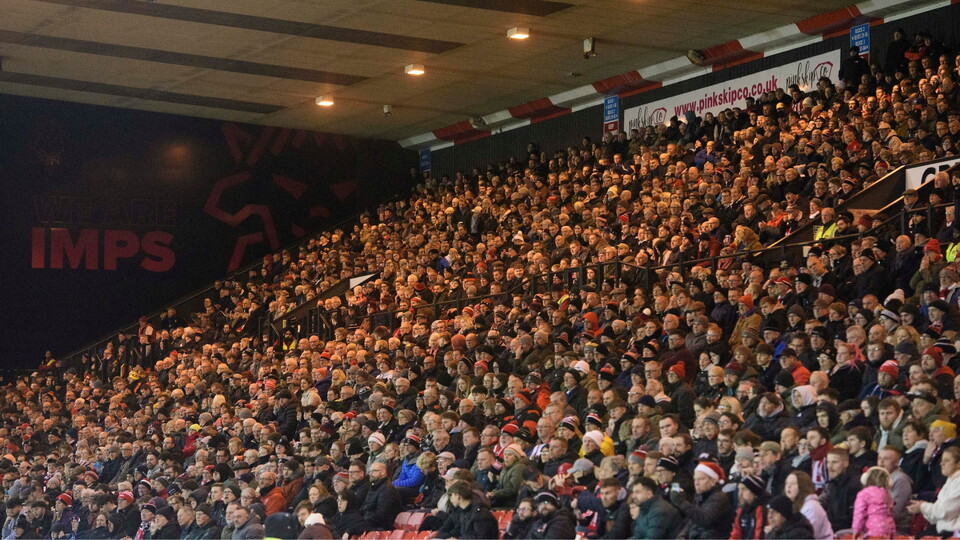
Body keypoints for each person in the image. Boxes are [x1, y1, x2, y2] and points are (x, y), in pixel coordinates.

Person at [669, 461, 732, 539]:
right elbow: (691, 522)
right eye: (695, 479)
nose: (696, 483)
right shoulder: (700, 497)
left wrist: (682, 502)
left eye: (701, 479)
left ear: (713, 481)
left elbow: (705, 519)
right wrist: (682, 536)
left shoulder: (719, 498)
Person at [907, 446, 960, 535]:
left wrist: (923, 506)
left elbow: (944, 512)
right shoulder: (950, 481)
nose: (941, 464)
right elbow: (936, 518)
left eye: (947, 460)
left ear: (958, 464)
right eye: (942, 460)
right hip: (943, 532)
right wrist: (921, 508)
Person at [434, 481, 499, 539]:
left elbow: (481, 537)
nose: (450, 499)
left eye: (451, 495)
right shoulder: (463, 511)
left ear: (458, 496)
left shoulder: (481, 513)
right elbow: (459, 531)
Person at [784, 471, 833, 540]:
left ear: (802, 486)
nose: (788, 487)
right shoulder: (790, 505)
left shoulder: (812, 507)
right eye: (787, 483)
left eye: (793, 484)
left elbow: (808, 534)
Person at [852, 466, 897, 538]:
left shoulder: (864, 493)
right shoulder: (887, 494)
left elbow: (859, 513)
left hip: (872, 531)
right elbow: (890, 513)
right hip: (888, 529)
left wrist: (856, 530)